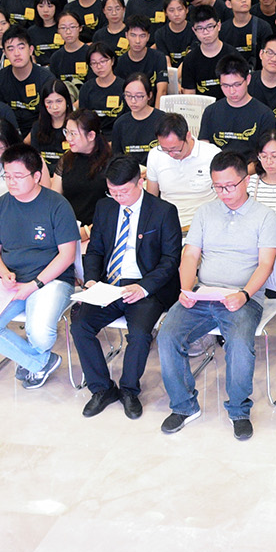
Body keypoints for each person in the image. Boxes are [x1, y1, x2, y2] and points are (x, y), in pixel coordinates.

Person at [155, 155, 276, 439]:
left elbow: (265, 264)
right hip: (203, 293)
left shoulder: (265, 216)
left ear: (246, 180)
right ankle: (184, 406)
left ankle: (239, 410)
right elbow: (190, 255)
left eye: (230, 186)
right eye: (217, 187)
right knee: (167, 336)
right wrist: (186, 289)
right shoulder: (205, 212)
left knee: (238, 344)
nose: (224, 193)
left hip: (243, 297)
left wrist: (244, 294)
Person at [71, 155, 184, 420]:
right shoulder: (105, 207)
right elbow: (96, 250)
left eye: (123, 192)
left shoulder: (163, 211)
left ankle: (129, 390)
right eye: (112, 192)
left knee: (141, 334)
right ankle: (102, 388)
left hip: (146, 286)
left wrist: (143, 288)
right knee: (80, 325)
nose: (118, 197)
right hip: (109, 284)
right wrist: (91, 280)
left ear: (140, 183)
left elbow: (170, 260)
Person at [0, 143, 81, 389]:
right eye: (7, 176)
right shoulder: (0, 206)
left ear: (36, 176)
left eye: (18, 176)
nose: (11, 182)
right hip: (12, 281)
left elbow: (67, 255)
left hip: (50, 280)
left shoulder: (57, 205)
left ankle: (33, 361)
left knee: (40, 334)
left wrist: (34, 285)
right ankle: (40, 362)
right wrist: (3, 273)